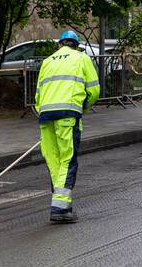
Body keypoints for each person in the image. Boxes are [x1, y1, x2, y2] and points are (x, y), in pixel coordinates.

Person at [35, 31, 100, 223]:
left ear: (60, 45)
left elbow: (38, 95)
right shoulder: (81, 58)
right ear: (76, 45)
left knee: (53, 159)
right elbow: (94, 90)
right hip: (68, 115)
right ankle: (61, 208)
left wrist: (44, 112)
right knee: (67, 159)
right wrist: (82, 108)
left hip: (46, 116)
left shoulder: (47, 61)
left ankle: (60, 203)